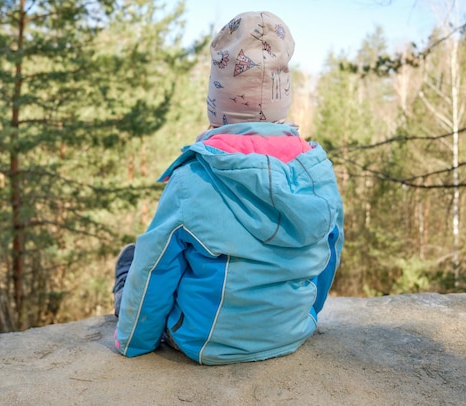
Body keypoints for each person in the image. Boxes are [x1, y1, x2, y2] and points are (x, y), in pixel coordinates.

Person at [113, 10, 344, 365]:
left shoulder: (195, 178)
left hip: (205, 340)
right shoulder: (317, 173)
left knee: (132, 258)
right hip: (291, 332)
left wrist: (134, 343)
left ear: (216, 104)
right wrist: (306, 315)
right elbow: (329, 252)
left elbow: (155, 267)